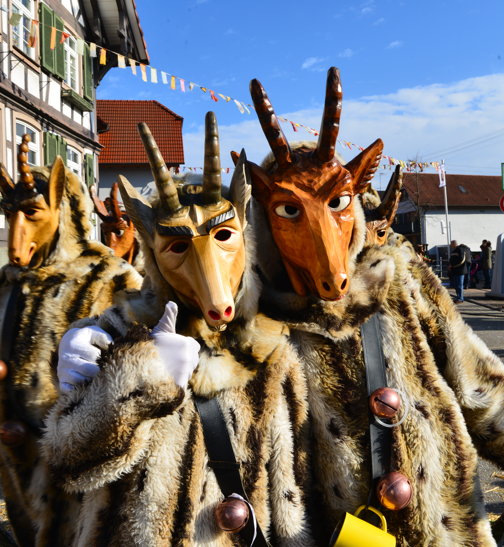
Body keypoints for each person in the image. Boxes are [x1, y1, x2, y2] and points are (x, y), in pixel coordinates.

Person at [243, 67, 504, 544]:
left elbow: (471, 370)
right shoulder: (255, 316)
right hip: (338, 531)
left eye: (336, 205)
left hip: (443, 522)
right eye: (290, 211)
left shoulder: (400, 280)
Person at [47, 116, 314, 544]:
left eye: (225, 235)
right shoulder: (117, 335)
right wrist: (132, 381)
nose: (209, 274)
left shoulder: (272, 345)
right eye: (177, 248)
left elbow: (290, 481)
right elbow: (68, 459)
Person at [0, 142, 142, 544]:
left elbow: (141, 376)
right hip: (14, 456)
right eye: (10, 214)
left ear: (61, 208)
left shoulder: (111, 277)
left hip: (79, 462)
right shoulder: (5, 281)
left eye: (31, 214)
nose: (16, 235)